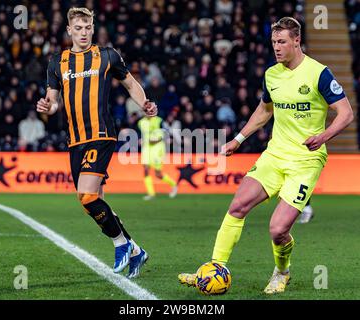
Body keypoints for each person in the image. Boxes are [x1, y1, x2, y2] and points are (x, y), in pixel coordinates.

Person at [178, 17, 353, 294]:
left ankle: (281, 272)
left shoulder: (319, 73)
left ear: (297, 41)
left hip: (305, 162)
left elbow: (346, 113)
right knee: (237, 207)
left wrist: (323, 137)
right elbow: (264, 110)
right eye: (273, 42)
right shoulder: (271, 74)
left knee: (277, 230)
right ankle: (214, 269)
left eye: (282, 42)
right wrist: (238, 139)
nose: (277, 48)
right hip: (274, 155)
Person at [36, 7, 157, 278]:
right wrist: (47, 106)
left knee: (88, 195)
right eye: (78, 28)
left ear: (93, 28)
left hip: (101, 135)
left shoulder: (107, 56)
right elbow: (53, 101)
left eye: (87, 27)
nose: (83, 32)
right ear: (69, 30)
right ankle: (137, 251)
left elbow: (130, 83)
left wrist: (144, 102)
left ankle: (121, 244)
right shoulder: (58, 62)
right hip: (75, 140)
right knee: (89, 200)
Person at [138, 115, 178, 200]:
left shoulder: (159, 121)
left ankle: (173, 184)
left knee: (158, 174)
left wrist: (155, 140)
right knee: (145, 170)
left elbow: (165, 134)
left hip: (157, 149)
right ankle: (151, 194)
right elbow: (140, 134)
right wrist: (140, 139)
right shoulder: (141, 122)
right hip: (146, 149)